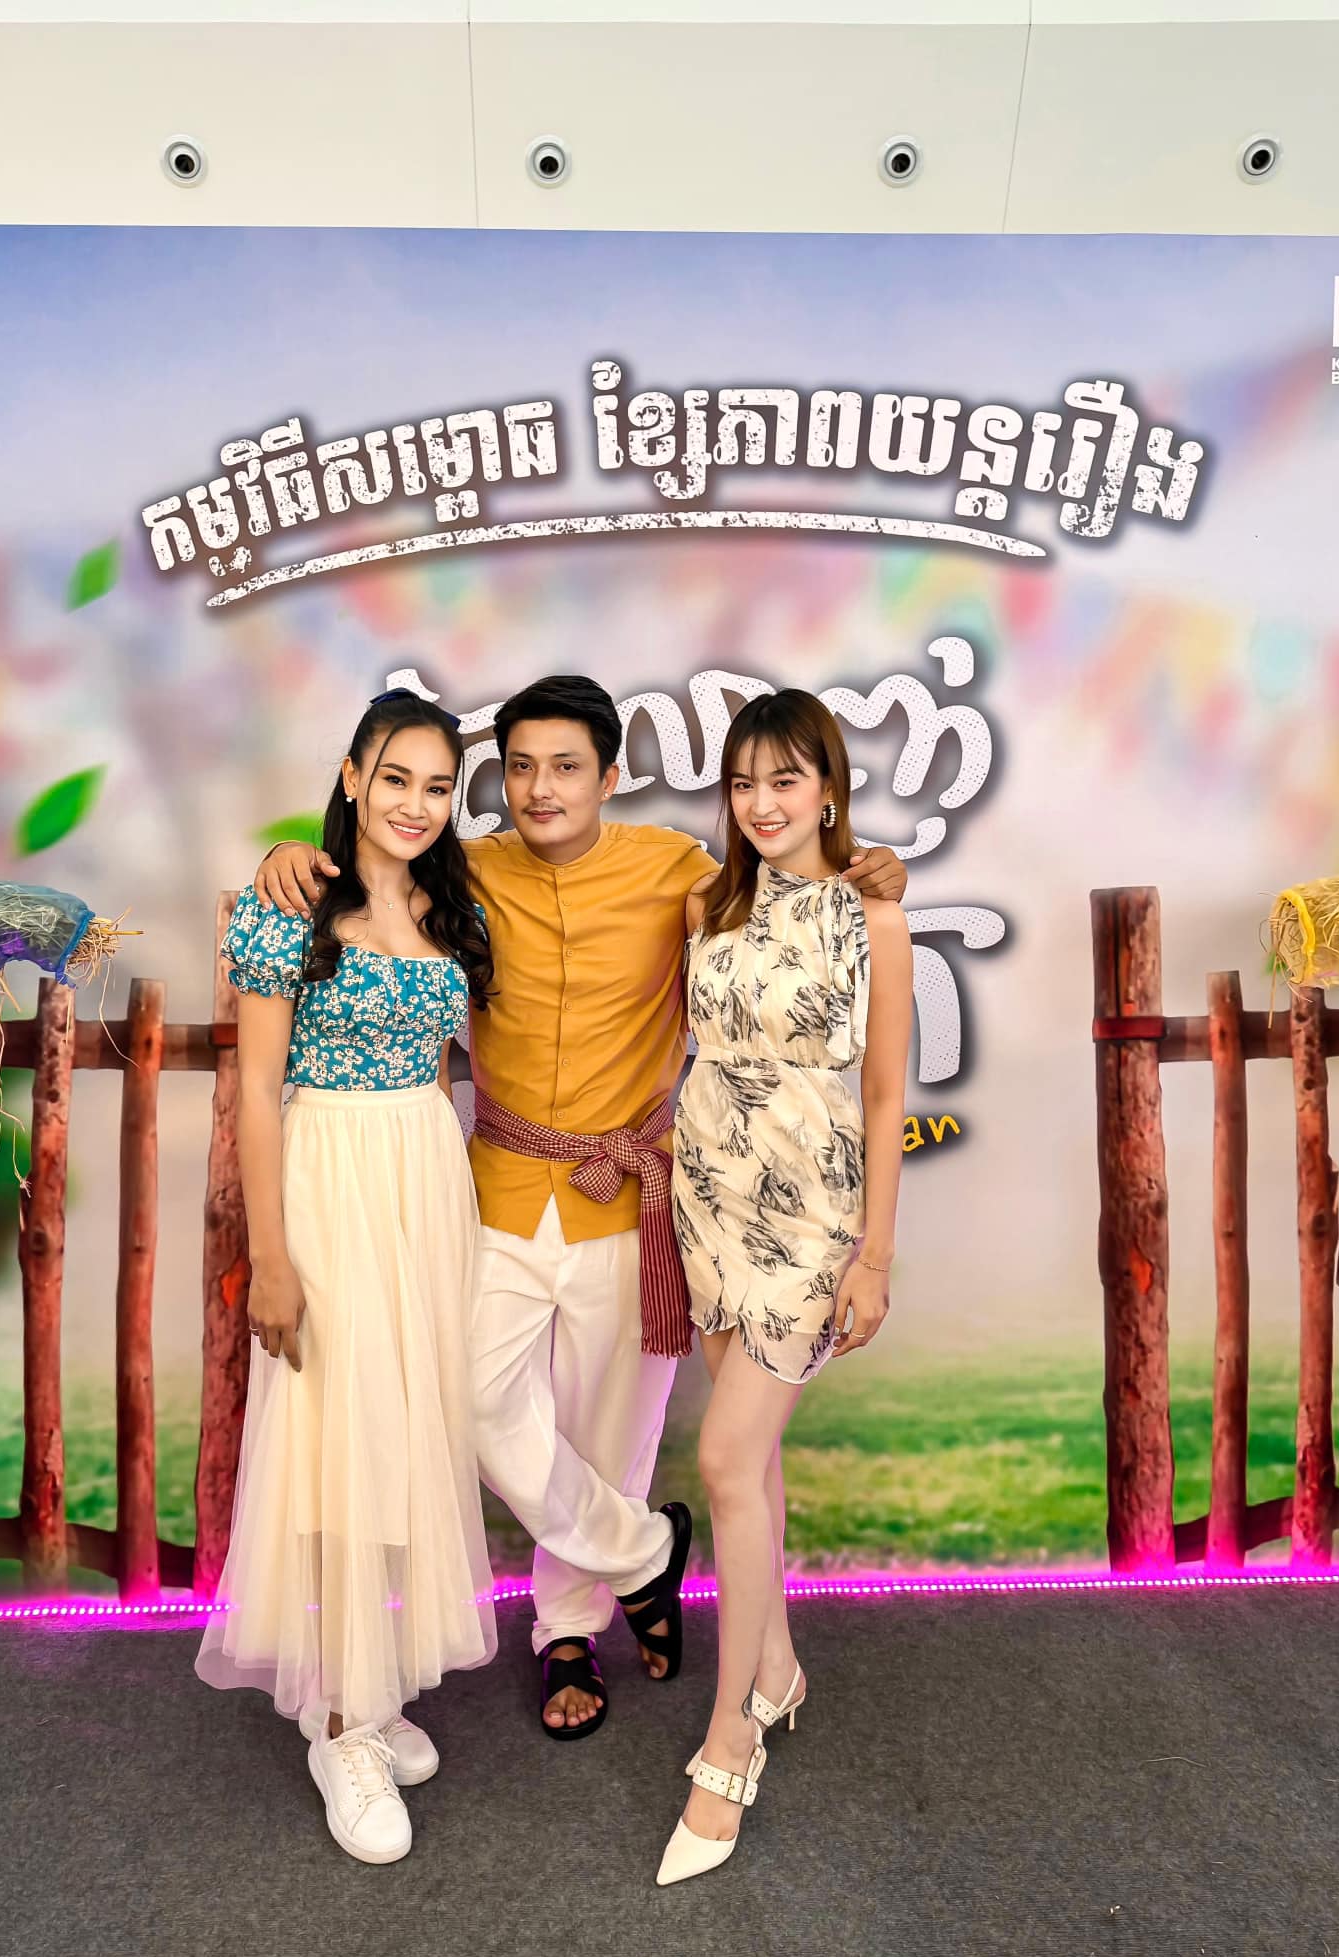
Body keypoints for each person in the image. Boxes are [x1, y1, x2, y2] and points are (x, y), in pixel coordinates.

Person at [255, 675, 908, 1739]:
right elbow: (363, 871)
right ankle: (645, 1553)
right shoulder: (463, 874)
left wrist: (874, 870)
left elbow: (786, 892)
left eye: (566, 767)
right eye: (519, 767)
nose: (540, 788)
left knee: (610, 1432)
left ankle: (569, 1631)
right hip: (499, 1187)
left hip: (633, 1197)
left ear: (610, 777)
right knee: (468, 1401)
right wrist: (287, 855)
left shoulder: (681, 874)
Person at [195, 690, 498, 1867]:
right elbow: (258, 1097)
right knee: (335, 1438)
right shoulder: (291, 908)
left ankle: (367, 1688)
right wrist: (272, 1257)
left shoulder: (450, 909)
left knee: (402, 1433)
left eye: (438, 785)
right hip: (330, 1180)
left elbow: (450, 1070)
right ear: (353, 773)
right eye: (396, 777)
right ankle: (335, 1725)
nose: (417, 804)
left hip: (423, 1182)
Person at [656, 688, 912, 1887]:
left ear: (828, 787)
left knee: (721, 1458)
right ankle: (778, 1666)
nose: (763, 803)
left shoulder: (875, 916)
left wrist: (875, 1254)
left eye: (786, 779)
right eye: (745, 782)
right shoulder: (705, 902)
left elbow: (886, 1095)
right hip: (706, 1192)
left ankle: (729, 1744)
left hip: (810, 1213)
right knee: (749, 1462)